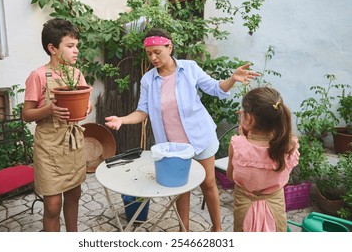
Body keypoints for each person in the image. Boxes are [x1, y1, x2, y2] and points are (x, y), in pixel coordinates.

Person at [105, 27, 260, 232]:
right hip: (173, 147)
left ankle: (218, 229)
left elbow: (215, 88)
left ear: (169, 47)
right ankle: (183, 232)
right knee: (181, 189)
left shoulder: (190, 68)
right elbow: (142, 112)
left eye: (157, 52)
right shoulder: (147, 80)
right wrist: (122, 120)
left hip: (200, 137)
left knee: (208, 183)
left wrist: (232, 79)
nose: (153, 57)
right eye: (149, 53)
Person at [22, 18, 91, 232]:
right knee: (52, 206)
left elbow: (84, 101)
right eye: (70, 46)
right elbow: (26, 114)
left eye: (76, 45)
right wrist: (49, 109)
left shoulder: (76, 74)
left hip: (73, 144)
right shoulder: (38, 76)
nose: (76, 51)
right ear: (52, 48)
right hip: (49, 147)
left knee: (74, 195)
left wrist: (86, 108)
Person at [226, 87, 300, 232]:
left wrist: (243, 137)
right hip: (275, 207)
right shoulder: (289, 146)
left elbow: (231, 176)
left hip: (244, 206)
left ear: (248, 118)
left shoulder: (237, 145)